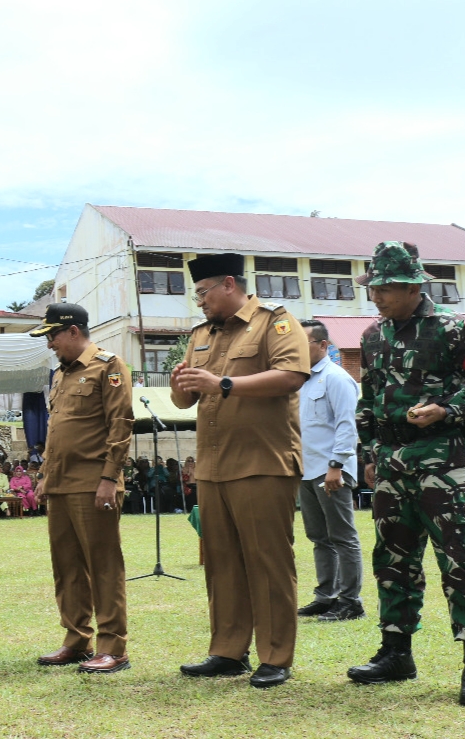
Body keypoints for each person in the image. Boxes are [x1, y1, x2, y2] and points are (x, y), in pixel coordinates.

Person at [347, 241, 465, 708]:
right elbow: (369, 397)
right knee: (393, 561)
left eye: (382, 289)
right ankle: (395, 653)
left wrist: (448, 408)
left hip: (446, 463)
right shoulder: (373, 335)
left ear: (411, 286)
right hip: (392, 463)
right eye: (372, 288)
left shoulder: (457, 328)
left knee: (462, 560)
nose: (374, 297)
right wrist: (371, 448)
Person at [170, 252, 309, 689]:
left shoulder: (276, 322)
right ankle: (228, 651)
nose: (200, 302)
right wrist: (181, 386)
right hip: (213, 465)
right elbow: (185, 402)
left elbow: (292, 376)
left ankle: (275, 656)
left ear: (229, 284)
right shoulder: (200, 335)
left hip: (262, 462)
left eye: (204, 292)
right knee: (222, 563)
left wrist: (222, 383)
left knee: (267, 561)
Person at [30, 302, 134, 674]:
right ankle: (76, 640)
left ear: (73, 331)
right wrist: (44, 477)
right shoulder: (60, 375)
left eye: (52, 336)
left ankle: (113, 647)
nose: (49, 344)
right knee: (67, 568)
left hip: (94, 484)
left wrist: (109, 478)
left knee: (103, 566)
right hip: (60, 483)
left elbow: (120, 426)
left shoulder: (109, 366)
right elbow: (58, 431)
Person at [296, 320, 365, 623]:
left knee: (342, 537)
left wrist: (336, 466)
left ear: (323, 346)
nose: (296, 349)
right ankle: (326, 597)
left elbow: (346, 426)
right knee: (319, 537)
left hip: (330, 470)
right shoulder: (301, 381)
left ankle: (351, 601)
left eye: (304, 343)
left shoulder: (337, 378)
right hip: (306, 470)